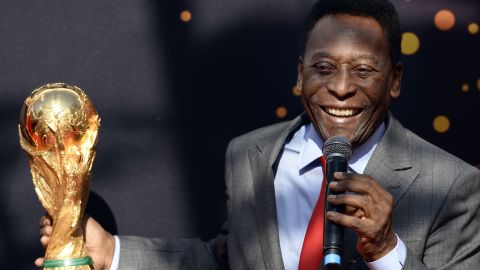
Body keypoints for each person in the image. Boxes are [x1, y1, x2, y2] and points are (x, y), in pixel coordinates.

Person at [37, 0, 480, 269]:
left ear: (395, 79)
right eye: (323, 69)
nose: (342, 88)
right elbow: (228, 259)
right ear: (300, 74)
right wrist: (112, 251)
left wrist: (385, 250)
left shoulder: (452, 184)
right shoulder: (252, 154)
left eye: (363, 71)